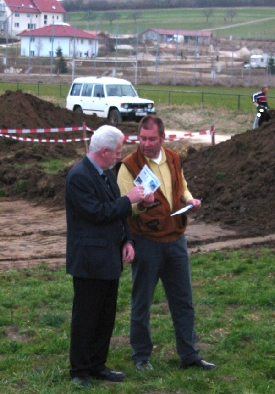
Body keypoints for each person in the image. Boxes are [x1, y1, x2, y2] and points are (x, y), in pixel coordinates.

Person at [117, 115, 216, 372]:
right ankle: (141, 356)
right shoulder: (129, 166)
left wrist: (190, 200)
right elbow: (123, 206)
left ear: (162, 138)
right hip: (146, 242)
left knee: (183, 300)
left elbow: (182, 187)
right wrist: (142, 205)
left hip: (176, 240)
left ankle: (189, 355)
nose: (146, 144)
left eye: (152, 139)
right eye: (142, 139)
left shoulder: (173, 158)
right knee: (142, 302)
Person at [65, 125, 150, 389]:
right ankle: (79, 371)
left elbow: (117, 214)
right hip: (89, 262)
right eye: (116, 152)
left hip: (110, 258)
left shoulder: (105, 174)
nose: (119, 156)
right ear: (104, 151)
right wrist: (130, 199)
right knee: (86, 317)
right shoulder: (79, 177)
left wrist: (127, 240)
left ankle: (97, 364)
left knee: (105, 316)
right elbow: (98, 213)